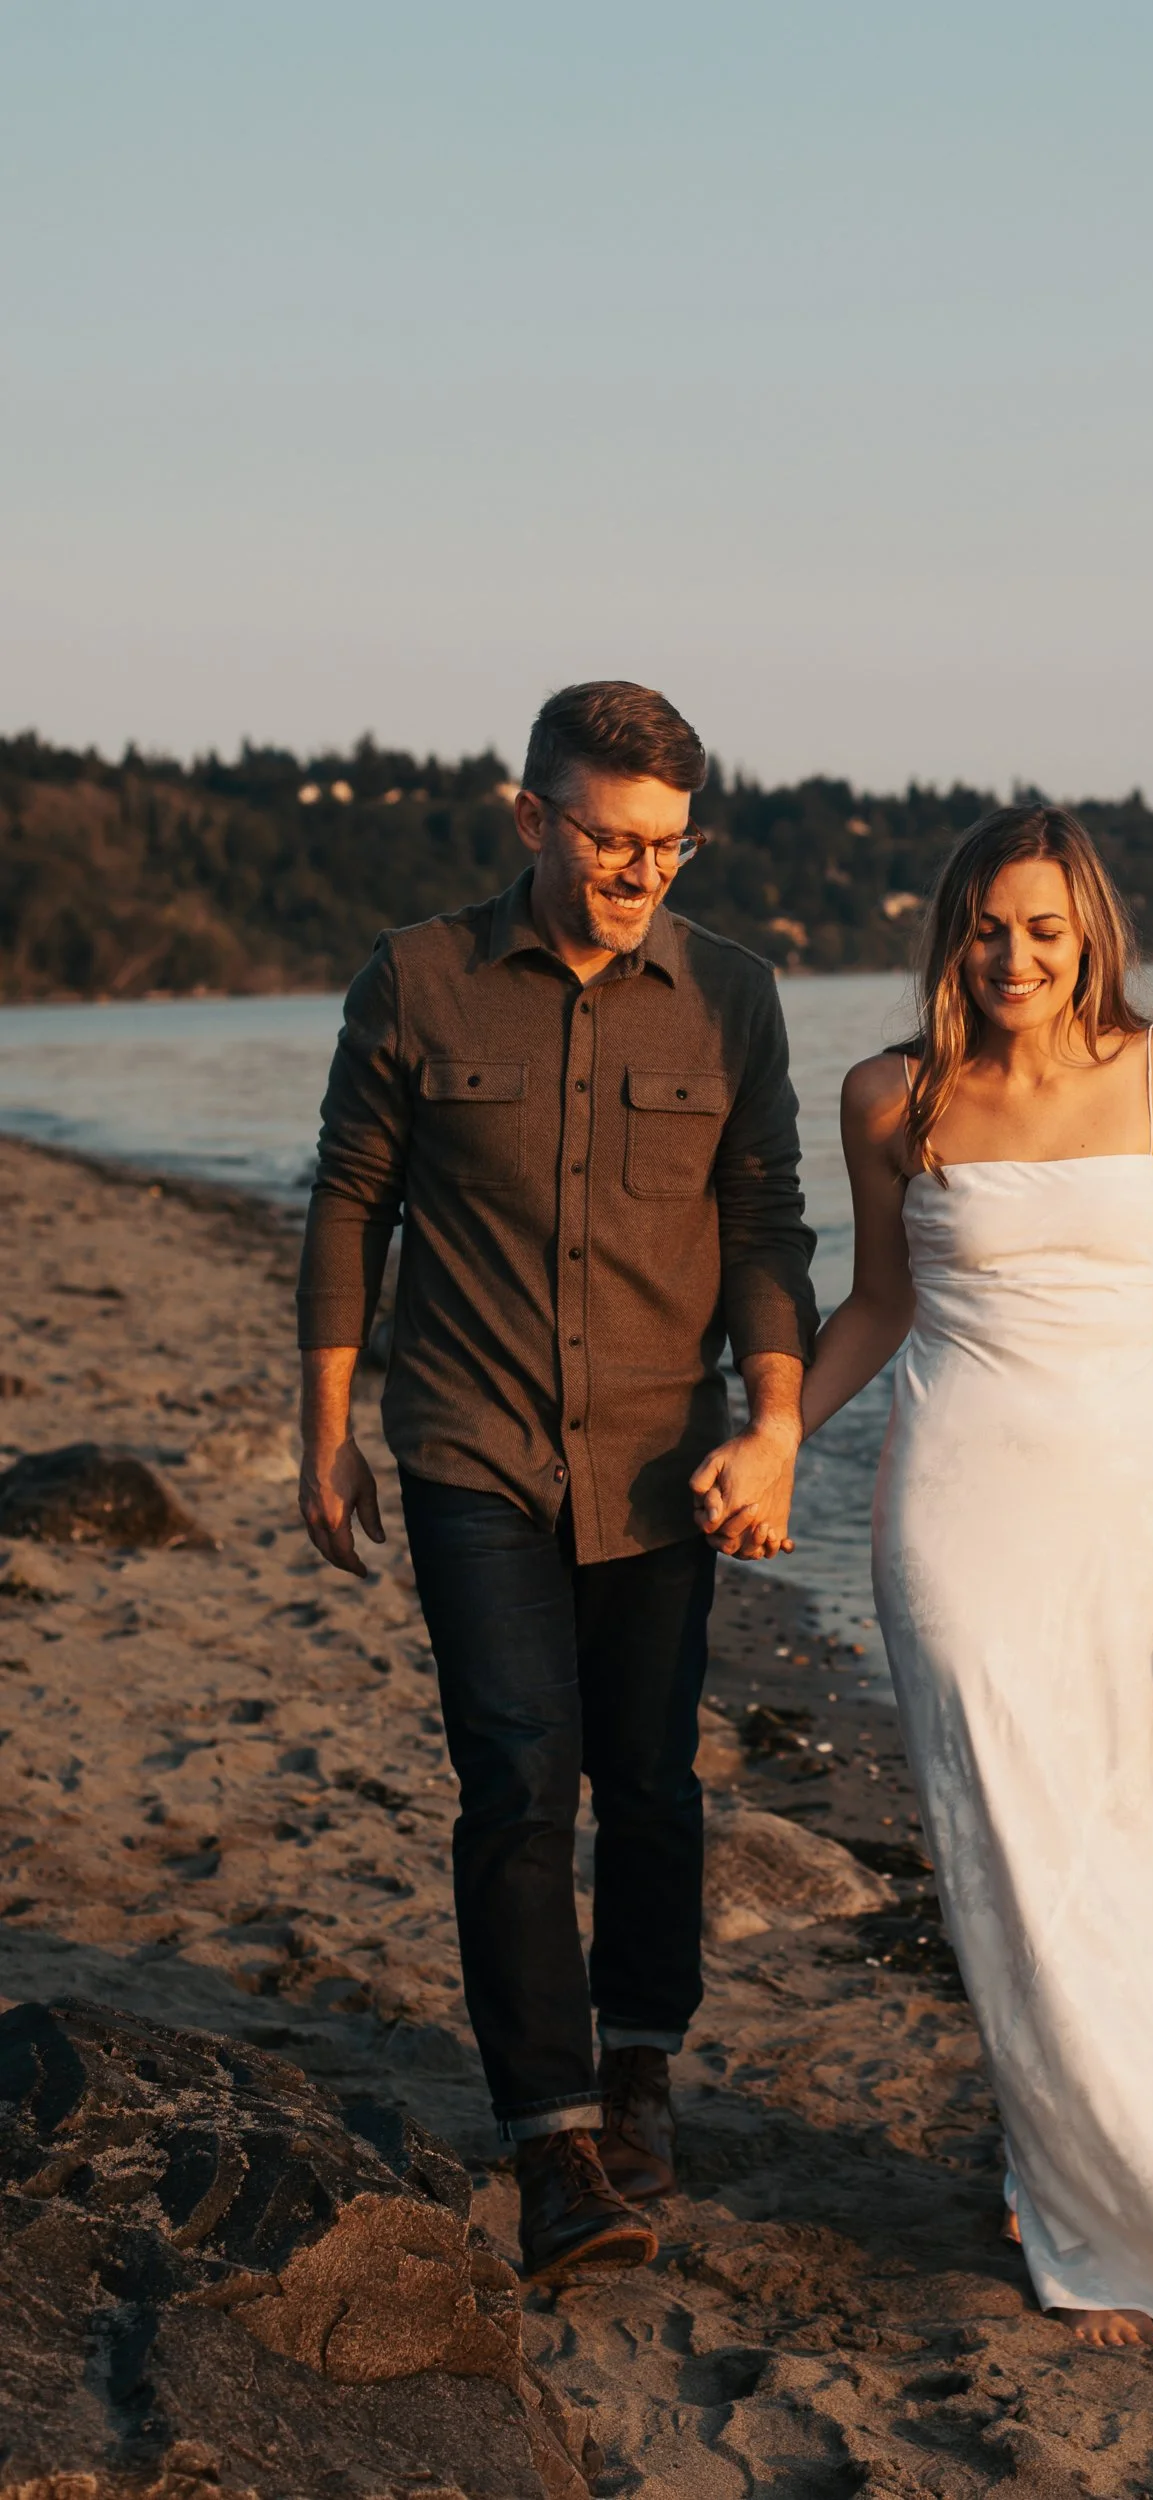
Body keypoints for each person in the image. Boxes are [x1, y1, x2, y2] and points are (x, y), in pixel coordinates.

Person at [296, 680, 815, 2286]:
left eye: (666, 845)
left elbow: (766, 1223)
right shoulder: (420, 977)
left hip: (664, 1463)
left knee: (652, 1784)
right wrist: (323, 1428)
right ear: (531, 816)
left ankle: (641, 2065)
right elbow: (348, 1205)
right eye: (607, 837)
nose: (636, 871)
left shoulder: (731, 996)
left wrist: (778, 1418)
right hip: (470, 1445)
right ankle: (551, 2146)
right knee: (520, 1779)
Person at [794, 804, 1153, 2349]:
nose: (1010, 955)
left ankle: (1136, 2192)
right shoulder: (891, 1099)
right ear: (947, 933)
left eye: (1042, 927)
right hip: (952, 1508)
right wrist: (770, 1439)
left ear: (1087, 931)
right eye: (982, 926)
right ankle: (1084, 2211)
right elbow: (877, 1304)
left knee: (1109, 1838)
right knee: (1001, 1852)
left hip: (1114, 1507)